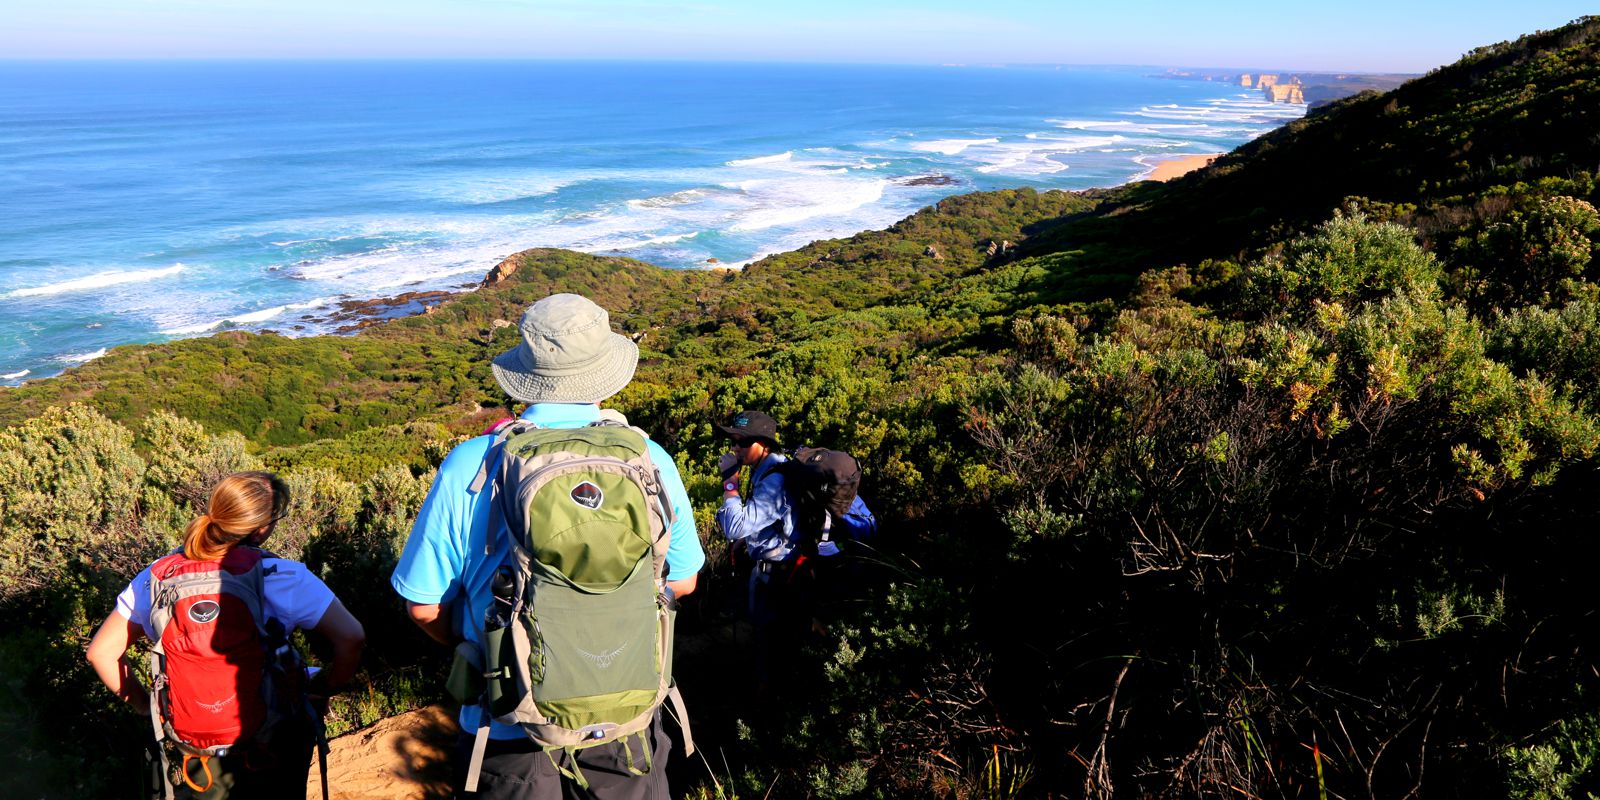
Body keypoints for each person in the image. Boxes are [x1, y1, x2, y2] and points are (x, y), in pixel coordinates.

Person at [392, 292, 704, 800]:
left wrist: (483, 647)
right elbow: (683, 580)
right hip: (625, 716)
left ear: (527, 373)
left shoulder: (471, 464)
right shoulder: (649, 458)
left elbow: (424, 606)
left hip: (509, 723)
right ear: (605, 373)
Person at [86, 471, 366, 800]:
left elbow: (100, 653)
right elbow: (352, 638)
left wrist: (147, 708)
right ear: (261, 528)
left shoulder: (157, 577)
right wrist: (326, 688)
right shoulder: (284, 576)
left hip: (194, 742)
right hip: (274, 735)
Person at [715, 410, 876, 685]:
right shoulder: (769, 470)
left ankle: (769, 700)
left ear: (763, 444)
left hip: (781, 576)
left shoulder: (774, 481)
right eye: (733, 440)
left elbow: (734, 526)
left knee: (771, 647)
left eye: (743, 441)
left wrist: (730, 482)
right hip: (779, 571)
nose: (735, 447)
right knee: (773, 642)